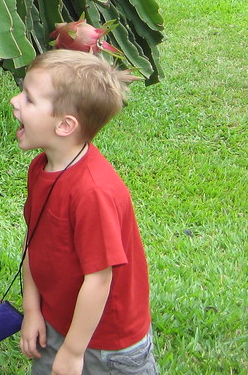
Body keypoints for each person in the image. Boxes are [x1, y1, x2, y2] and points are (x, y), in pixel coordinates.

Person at [11, 50, 157, 375]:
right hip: (57, 320)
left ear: (65, 125)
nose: (14, 101)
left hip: (109, 343)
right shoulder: (41, 167)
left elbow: (99, 279)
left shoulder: (93, 192)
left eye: (29, 99)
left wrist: (73, 352)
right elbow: (33, 241)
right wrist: (32, 310)